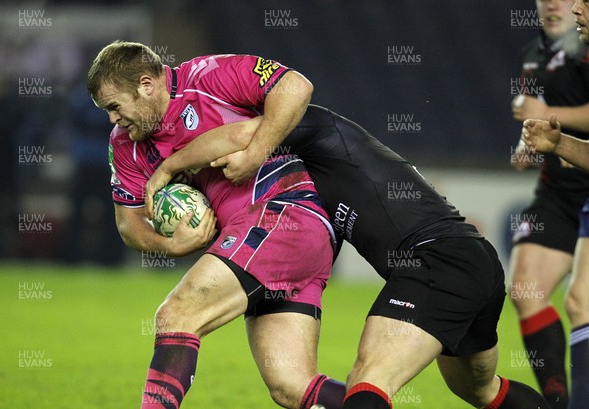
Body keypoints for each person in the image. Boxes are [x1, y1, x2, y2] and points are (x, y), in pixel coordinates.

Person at [146, 95, 551, 409]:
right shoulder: (301, 177)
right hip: (472, 260)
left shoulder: (312, 126)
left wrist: (170, 166)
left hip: (436, 261)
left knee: (368, 380)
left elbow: (241, 138)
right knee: (482, 390)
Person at [87, 41, 346, 409]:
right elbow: (128, 224)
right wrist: (171, 246)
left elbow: (296, 87)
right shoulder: (125, 144)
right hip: (271, 247)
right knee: (292, 387)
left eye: (114, 107)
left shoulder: (210, 75)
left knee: (177, 314)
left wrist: (255, 153)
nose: (113, 119)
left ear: (146, 84)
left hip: (284, 214)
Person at [507, 1, 589, 406]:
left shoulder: (585, 46)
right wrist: (526, 145)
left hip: (587, 184)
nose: (555, 3)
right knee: (526, 289)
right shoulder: (531, 54)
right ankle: (557, 401)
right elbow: (535, 120)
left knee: (581, 302)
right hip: (557, 192)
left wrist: (548, 113)